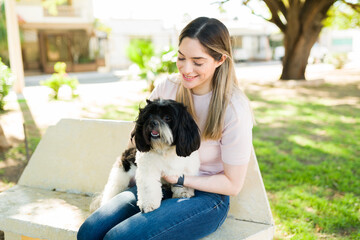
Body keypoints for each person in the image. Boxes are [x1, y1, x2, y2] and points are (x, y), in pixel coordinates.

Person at [77, 16, 254, 240]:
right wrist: (139, 174)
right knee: (89, 231)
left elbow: (233, 184)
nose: (186, 69)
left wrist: (179, 180)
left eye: (197, 62)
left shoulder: (233, 108)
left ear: (220, 59)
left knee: (119, 238)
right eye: (181, 58)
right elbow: (137, 141)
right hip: (157, 182)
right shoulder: (167, 88)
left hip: (209, 197)